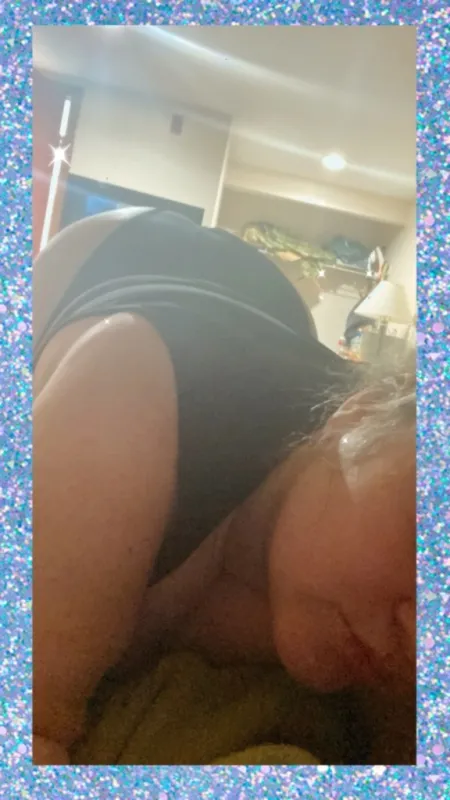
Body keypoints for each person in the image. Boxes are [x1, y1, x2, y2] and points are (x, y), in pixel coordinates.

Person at [33, 208, 415, 765]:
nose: (423, 635)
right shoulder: (119, 415)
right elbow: (31, 735)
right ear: (359, 415)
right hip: (115, 253)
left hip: (278, 322)